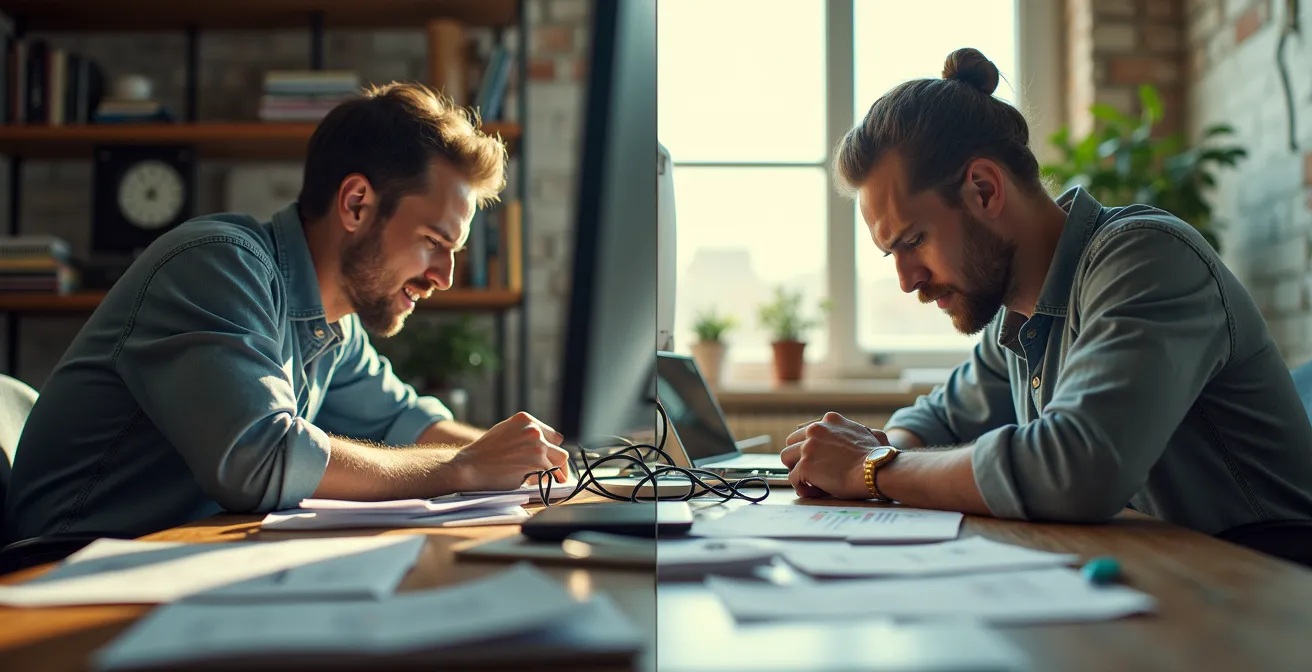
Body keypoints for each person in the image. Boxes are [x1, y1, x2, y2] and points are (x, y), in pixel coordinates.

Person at [4, 83, 570, 543]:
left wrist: (542, 464)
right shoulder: (218, 265)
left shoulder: (333, 324)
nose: (443, 277)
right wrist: (467, 469)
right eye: (431, 240)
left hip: (177, 561)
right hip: (70, 564)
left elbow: (408, 423)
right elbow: (261, 458)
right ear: (356, 204)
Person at [781, 48, 1312, 536]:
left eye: (914, 240)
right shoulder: (1019, 317)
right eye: (891, 252)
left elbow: (1078, 467)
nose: (906, 279)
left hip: (1265, 593)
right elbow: (935, 420)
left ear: (984, 189)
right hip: (1166, 588)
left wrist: (869, 469)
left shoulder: (1146, 258)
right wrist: (866, 453)